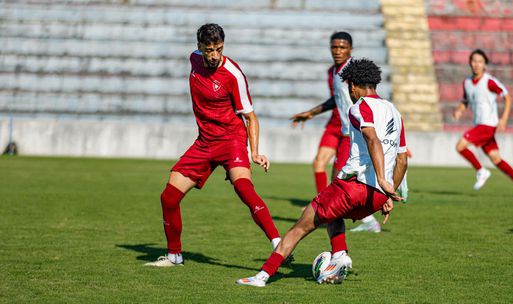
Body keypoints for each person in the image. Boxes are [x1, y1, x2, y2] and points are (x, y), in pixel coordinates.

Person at [236, 58, 408, 287]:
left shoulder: (360, 107)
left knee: (301, 226)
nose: (350, 92)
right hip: (375, 197)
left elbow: (372, 139)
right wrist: (386, 192)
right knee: (333, 215)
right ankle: (339, 256)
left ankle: (262, 276)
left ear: (354, 85)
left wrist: (382, 180)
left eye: (349, 87)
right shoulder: (395, 112)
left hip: (354, 186)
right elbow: (402, 159)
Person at [145, 24, 282, 267]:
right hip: (205, 142)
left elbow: (251, 117)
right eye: (209, 50)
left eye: (219, 49)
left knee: (243, 188)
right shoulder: (193, 60)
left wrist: (255, 152)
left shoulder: (233, 74)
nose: (214, 55)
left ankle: (279, 244)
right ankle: (175, 256)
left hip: (231, 139)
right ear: (199, 47)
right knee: (168, 198)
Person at [290, 32, 381, 233]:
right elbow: (337, 99)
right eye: (334, 47)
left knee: (341, 182)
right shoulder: (334, 71)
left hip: (353, 133)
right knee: (326, 168)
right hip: (341, 127)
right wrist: (311, 113)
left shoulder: (353, 70)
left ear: (350, 49)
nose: (337, 51)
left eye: (342, 47)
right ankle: (328, 210)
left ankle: (359, 218)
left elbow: (370, 96)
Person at [454, 49, 513, 199]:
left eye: (480, 62)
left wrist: (504, 119)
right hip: (480, 124)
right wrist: (459, 110)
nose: (476, 64)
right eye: (474, 61)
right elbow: (465, 101)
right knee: (495, 158)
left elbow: (507, 97)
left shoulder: (489, 81)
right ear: (470, 63)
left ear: (485, 65)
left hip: (487, 124)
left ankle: (481, 171)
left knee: (460, 146)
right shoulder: (467, 82)